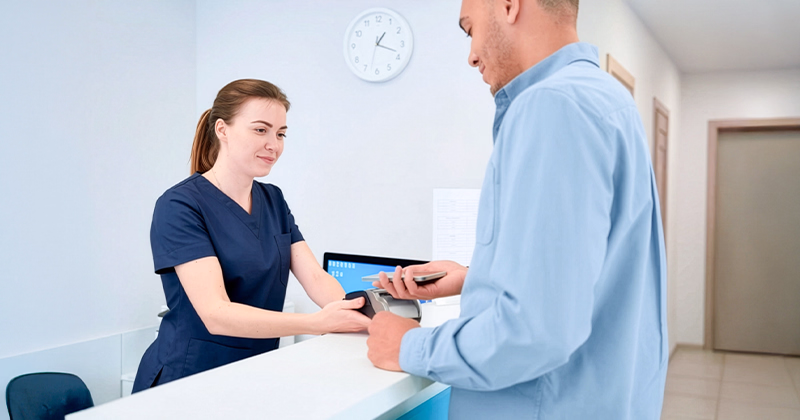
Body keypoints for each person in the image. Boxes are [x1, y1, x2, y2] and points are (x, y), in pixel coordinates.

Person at [366, 0, 668, 418]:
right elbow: (587, 275)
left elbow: (535, 332)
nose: (470, 54)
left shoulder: (552, 106)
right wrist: (474, 279)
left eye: (469, 29)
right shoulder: (607, 100)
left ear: (509, 5)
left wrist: (408, 345)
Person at [133, 79, 371, 392]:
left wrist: (361, 314)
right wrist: (317, 323)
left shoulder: (273, 199)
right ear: (222, 130)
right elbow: (215, 313)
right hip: (189, 376)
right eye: (261, 130)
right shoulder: (179, 205)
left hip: (253, 371)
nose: (274, 144)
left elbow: (314, 276)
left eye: (281, 133)